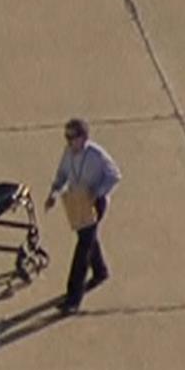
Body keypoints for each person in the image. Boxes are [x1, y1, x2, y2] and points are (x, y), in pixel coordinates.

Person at [44, 117, 121, 313]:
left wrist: (97, 192)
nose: (69, 141)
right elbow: (62, 174)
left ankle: (73, 299)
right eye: (66, 136)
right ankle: (100, 271)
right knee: (87, 239)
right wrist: (53, 193)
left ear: (84, 137)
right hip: (76, 200)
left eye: (72, 137)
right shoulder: (68, 152)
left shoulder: (96, 155)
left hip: (95, 202)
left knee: (82, 248)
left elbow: (114, 175)